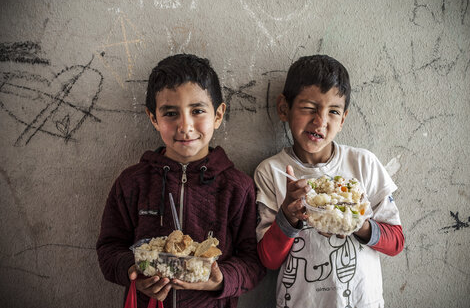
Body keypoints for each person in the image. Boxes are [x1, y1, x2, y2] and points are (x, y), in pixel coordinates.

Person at [96, 53, 265, 308]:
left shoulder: (236, 187)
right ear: (153, 118)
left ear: (218, 115)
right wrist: (133, 271)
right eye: (171, 113)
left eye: (197, 111)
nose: (185, 126)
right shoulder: (132, 183)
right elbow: (109, 248)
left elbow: (253, 261)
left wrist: (220, 280)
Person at [255, 54, 404, 308]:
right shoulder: (273, 172)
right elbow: (268, 260)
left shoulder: (363, 164)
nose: (320, 121)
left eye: (333, 111)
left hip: (360, 302)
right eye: (309, 108)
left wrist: (356, 222)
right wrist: (288, 217)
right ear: (284, 108)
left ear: (343, 119)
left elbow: (396, 242)